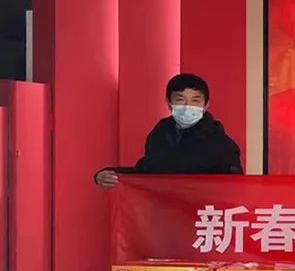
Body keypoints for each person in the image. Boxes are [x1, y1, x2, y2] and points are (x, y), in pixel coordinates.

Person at [94, 74, 242, 188]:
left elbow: (232, 188)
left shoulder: (222, 145)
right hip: (162, 215)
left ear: (206, 105)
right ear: (169, 102)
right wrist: (111, 175)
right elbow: (147, 172)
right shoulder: (159, 136)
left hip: (201, 216)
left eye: (195, 100)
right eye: (180, 99)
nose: (187, 106)